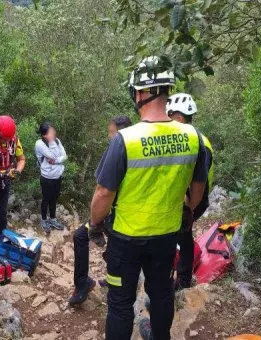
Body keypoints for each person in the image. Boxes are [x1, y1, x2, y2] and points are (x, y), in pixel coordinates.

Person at [88, 57, 208, 340]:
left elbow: (104, 192)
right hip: (166, 236)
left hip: (126, 239)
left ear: (140, 94)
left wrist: (94, 224)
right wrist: (188, 209)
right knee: (162, 293)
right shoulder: (192, 136)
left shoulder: (125, 140)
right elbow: (199, 184)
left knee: (120, 303)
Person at [68, 115, 133, 306]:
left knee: (84, 237)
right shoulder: (136, 149)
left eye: (110, 133)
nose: (109, 137)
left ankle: (89, 285)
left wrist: (96, 220)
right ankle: (86, 284)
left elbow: (103, 189)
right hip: (118, 212)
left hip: (116, 214)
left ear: (120, 132)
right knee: (83, 236)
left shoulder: (118, 148)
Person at [166, 93, 215, 290]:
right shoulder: (191, 138)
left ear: (178, 117)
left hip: (194, 199)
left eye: (169, 116)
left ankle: (180, 281)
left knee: (178, 236)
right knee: (182, 236)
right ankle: (181, 279)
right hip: (189, 198)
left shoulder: (197, 143)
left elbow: (197, 181)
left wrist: (188, 206)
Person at [35, 121, 68, 234]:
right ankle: (44, 220)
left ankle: (52, 219)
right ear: (45, 135)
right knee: (46, 199)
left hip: (57, 176)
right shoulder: (39, 143)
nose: (54, 132)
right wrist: (52, 143)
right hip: (47, 177)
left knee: (54, 198)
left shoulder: (57, 140)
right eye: (51, 132)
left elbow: (64, 156)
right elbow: (53, 155)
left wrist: (56, 161)